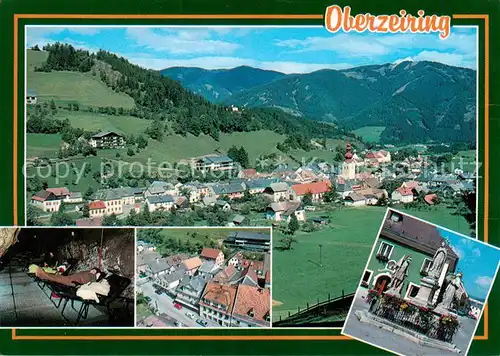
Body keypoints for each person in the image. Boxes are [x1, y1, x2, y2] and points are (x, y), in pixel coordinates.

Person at [35, 267, 103, 287]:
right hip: (71, 278)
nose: (93, 271)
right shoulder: (88, 272)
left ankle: (42, 274)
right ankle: (42, 274)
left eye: (95, 271)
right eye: (93, 270)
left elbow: (93, 283)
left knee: (58, 278)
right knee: (58, 277)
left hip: (74, 281)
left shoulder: (93, 276)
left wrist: (97, 276)